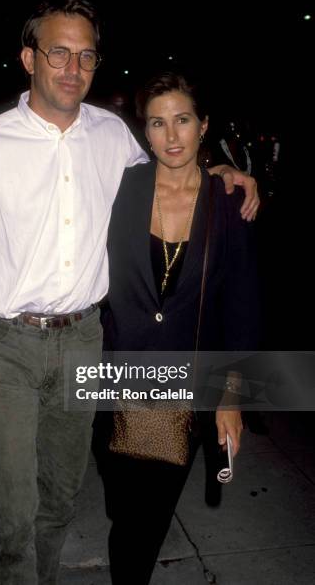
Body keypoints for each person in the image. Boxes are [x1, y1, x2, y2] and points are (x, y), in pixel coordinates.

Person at [0, 0, 259, 585]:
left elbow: (170, 166)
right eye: (58, 53)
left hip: (85, 340)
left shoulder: (113, 138)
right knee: (12, 507)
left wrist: (223, 174)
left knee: (59, 496)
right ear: (29, 58)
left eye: (86, 56)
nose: (72, 69)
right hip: (5, 345)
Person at [98, 71, 260, 584]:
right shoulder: (118, 188)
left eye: (183, 120)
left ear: (203, 125)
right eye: (158, 123)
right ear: (144, 132)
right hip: (117, 373)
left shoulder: (229, 201)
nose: (171, 136)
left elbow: (242, 306)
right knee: (124, 503)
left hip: (184, 381)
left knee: (148, 514)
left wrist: (231, 398)